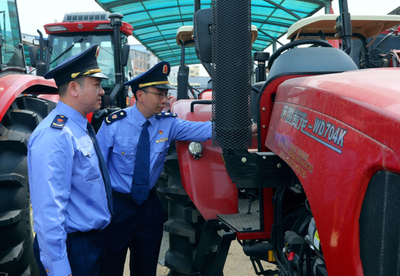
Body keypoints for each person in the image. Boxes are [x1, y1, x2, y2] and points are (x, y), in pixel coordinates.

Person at [28, 44, 113, 276]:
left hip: (90, 243)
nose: (102, 91)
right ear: (73, 88)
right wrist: (59, 269)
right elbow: (48, 213)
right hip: (73, 249)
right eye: (96, 85)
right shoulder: (55, 135)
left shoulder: (78, 128)